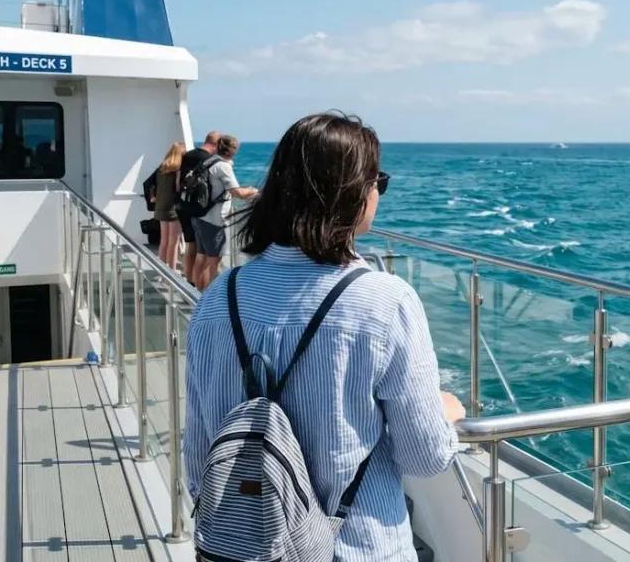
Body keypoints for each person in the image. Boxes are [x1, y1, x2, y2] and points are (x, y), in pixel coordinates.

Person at [184, 111, 464, 561]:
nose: (378, 192)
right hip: (358, 549)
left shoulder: (219, 298)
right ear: (352, 193)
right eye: (377, 180)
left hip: (243, 552)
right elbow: (424, 458)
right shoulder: (384, 300)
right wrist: (446, 410)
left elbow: (199, 460)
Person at [189, 134, 257, 290]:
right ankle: (207, 296)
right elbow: (237, 193)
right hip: (214, 219)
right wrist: (255, 192)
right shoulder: (223, 166)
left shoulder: (208, 161)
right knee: (213, 261)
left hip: (199, 215)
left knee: (202, 257)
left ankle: (197, 292)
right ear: (232, 150)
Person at [178, 132, 219, 283]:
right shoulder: (209, 159)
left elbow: (178, 180)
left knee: (190, 244)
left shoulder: (187, 155)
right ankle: (201, 283)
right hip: (199, 207)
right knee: (203, 250)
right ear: (214, 145)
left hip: (183, 204)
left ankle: (188, 280)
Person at [151, 142, 184, 269]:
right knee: (173, 243)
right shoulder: (177, 169)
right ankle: (172, 271)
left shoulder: (162, 168)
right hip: (173, 208)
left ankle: (161, 271)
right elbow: (177, 188)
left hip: (160, 207)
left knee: (164, 242)